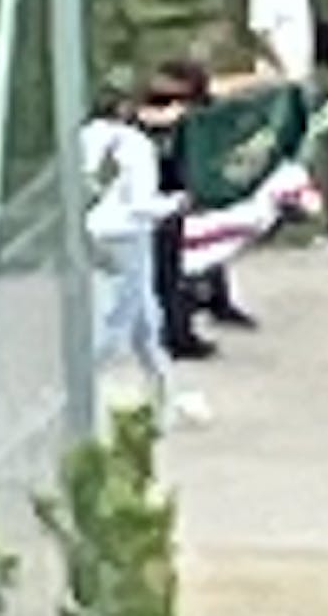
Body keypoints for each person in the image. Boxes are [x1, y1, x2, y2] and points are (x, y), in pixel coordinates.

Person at [81, 84, 187, 420]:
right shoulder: (136, 146)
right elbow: (140, 204)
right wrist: (175, 204)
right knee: (119, 319)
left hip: (90, 230)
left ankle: (163, 398)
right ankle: (76, 390)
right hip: (127, 233)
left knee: (145, 315)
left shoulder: (81, 139)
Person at [138, 61, 227, 358]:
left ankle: (177, 328)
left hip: (168, 195)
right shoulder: (165, 120)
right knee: (167, 269)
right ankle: (175, 333)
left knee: (172, 267)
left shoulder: (188, 118)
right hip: (161, 197)